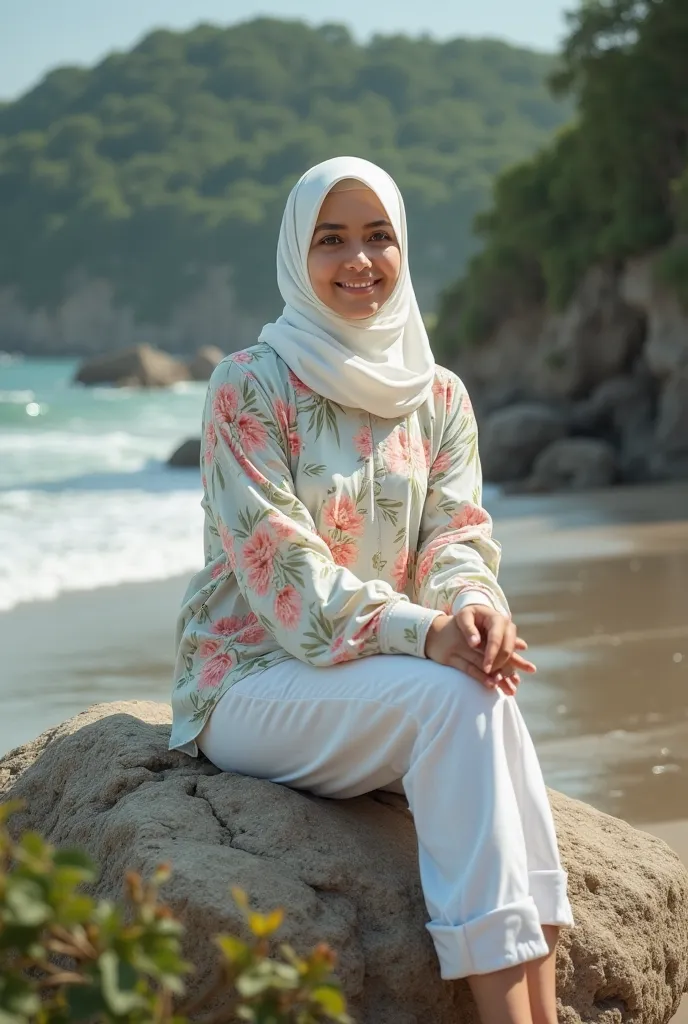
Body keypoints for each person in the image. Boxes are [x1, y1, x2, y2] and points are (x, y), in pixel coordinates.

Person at [169, 155, 574, 1024]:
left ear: (404, 249)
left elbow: (457, 537)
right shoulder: (250, 383)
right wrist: (425, 634)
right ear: (296, 257)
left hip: (371, 673)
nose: (359, 260)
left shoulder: (438, 395)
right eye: (332, 240)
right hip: (249, 680)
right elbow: (289, 575)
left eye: (378, 236)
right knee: (452, 700)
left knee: (484, 690)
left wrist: (472, 611)